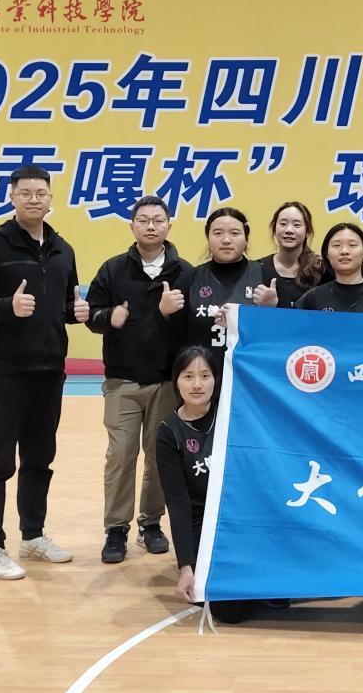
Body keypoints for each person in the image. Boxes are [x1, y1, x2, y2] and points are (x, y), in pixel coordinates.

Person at [0, 165, 89, 580]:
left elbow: (61, 306)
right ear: (12, 197)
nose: (34, 199)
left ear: (51, 199)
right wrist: (7, 308)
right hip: (6, 370)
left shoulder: (63, 250)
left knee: (39, 459)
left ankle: (32, 536)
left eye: (41, 193)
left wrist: (76, 312)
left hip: (50, 369)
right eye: (26, 192)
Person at [85, 195, 192, 564]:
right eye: (143, 220)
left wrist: (167, 315)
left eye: (158, 220)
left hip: (166, 382)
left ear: (169, 226)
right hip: (123, 382)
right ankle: (116, 530)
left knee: (160, 458)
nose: (150, 226)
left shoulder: (184, 272)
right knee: (120, 456)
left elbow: (190, 326)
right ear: (132, 225)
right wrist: (107, 317)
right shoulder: (113, 269)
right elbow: (91, 314)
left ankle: (151, 524)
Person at [156, 346, 269, 624]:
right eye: (188, 376)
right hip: (202, 525)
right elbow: (178, 505)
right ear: (176, 381)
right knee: (230, 611)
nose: (197, 384)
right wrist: (185, 567)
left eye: (205, 376)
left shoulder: (232, 415)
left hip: (239, 518)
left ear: (216, 379)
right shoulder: (168, 433)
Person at [160, 207, 276, 370]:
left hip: (249, 375)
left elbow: (278, 338)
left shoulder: (265, 276)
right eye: (218, 233)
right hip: (202, 377)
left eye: (235, 233)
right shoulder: (189, 279)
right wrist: (165, 313)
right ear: (208, 237)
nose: (226, 240)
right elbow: (173, 341)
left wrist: (273, 310)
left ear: (246, 238)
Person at [297, 223, 363, 314]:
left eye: (352, 245)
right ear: (327, 253)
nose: (344, 251)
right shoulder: (312, 298)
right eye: (337, 245)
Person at [257, 201, 322, 308]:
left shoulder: (321, 270)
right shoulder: (258, 268)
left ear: (308, 232)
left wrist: (276, 305)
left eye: (297, 225)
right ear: (274, 229)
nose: (289, 230)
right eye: (283, 224)